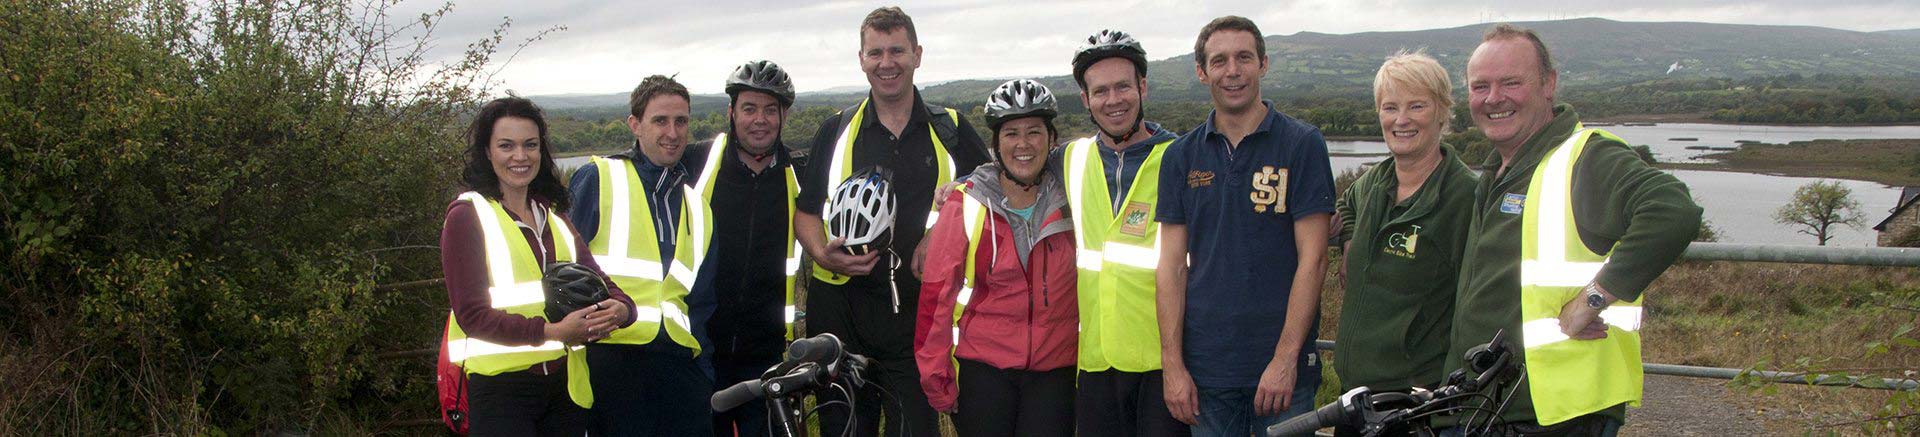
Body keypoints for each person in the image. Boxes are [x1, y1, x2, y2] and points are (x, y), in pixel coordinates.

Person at [1447, 24, 1701, 435]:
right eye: (1481, 87)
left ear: (1549, 84)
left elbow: (1673, 209)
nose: (1494, 98)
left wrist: (1592, 299)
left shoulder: (1585, 158)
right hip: (1490, 408)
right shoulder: (1498, 171)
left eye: (1511, 82)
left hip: (1560, 415)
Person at [794, 7, 991, 437]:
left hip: (916, 318)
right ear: (861, 60)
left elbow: (995, 194)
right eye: (876, 53)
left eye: (897, 51)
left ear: (917, 55)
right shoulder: (835, 130)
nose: (887, 63)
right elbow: (806, 214)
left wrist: (938, 234)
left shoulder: (951, 129)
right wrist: (821, 253)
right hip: (841, 318)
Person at [1153, 16, 1335, 437]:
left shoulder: (1302, 144)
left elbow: (1315, 259)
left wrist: (1286, 359)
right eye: (1219, 61)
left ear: (1263, 64)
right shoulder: (1180, 157)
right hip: (1206, 374)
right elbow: (1171, 267)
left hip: (1282, 374)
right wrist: (1173, 366)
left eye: (1244, 58)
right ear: (1202, 72)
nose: (1232, 71)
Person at [441, 96, 636, 436]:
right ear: (487, 152)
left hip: (565, 389)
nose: (520, 156)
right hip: (501, 394)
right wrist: (553, 332)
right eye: (507, 145)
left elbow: (601, 282)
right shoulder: (467, 216)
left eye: (530, 145)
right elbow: (470, 315)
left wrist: (622, 310)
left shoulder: (555, 217)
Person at [914, 79, 1078, 437]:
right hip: (983, 370)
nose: (1023, 144)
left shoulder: (1075, 197)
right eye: (1011, 134)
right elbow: (935, 297)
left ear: (1052, 140)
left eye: (1034, 132)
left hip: (1057, 369)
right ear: (996, 144)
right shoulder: (965, 202)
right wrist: (935, 376)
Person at [1328, 51, 1475, 436]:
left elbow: (1477, 300)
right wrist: (1347, 240)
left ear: (1443, 112)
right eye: (1390, 107)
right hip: (1357, 399)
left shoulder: (1465, 198)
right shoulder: (1376, 182)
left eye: (1417, 106)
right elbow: (1345, 205)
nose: (1401, 119)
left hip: (1416, 407)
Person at [566, 75, 719, 436]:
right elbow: (564, 270)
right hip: (614, 360)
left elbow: (702, 300)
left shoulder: (699, 206)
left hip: (681, 368)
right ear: (635, 125)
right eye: (660, 120)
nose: (673, 132)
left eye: (681, 121)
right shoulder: (599, 178)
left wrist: (704, 371)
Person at [1062, 29, 1190, 437]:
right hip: (1096, 361)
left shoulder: (1182, 157)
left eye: (1123, 87)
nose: (1113, 100)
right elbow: (1012, 170)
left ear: (1143, 87)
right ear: (1085, 99)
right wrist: (956, 190)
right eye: (1100, 91)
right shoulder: (1072, 158)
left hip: (1164, 363)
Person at [690, 60, 802, 437]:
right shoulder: (696, 165)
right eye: (749, 108)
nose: (760, 119)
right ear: (731, 112)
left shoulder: (801, 175)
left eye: (771, 110)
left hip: (767, 356)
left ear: (784, 116)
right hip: (699, 349)